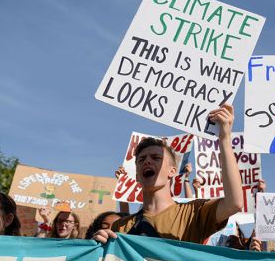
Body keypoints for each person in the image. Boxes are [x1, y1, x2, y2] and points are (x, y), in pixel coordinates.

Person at [93, 104, 244, 244]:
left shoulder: (194, 212)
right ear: (138, 175)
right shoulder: (120, 227)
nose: (147, 162)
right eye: (141, 159)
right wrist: (98, 246)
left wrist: (224, 139)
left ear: (172, 171)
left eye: (156, 158)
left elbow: (234, 204)